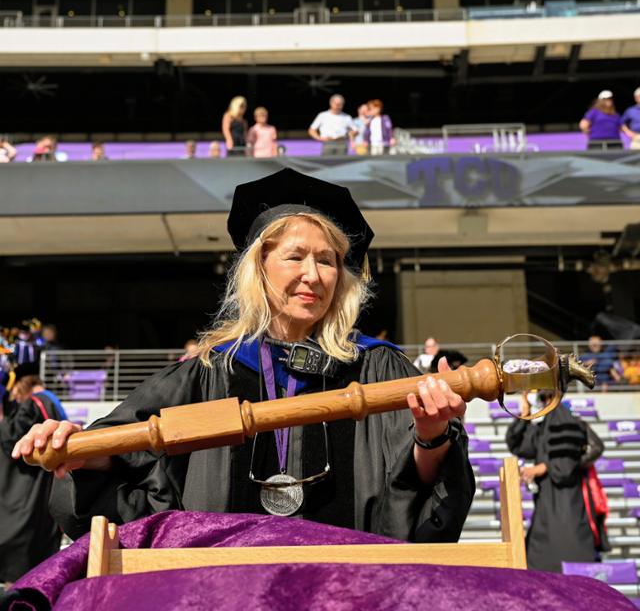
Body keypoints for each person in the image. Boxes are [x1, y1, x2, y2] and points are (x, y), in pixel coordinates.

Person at [14, 168, 474, 544]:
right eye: (295, 257)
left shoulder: (377, 370)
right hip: (225, 587)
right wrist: (76, 449)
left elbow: (417, 501)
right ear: (260, 266)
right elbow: (131, 467)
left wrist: (431, 436)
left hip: (344, 586)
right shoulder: (208, 375)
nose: (313, 275)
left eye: (328, 260)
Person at [506, 391, 609, 572]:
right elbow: (519, 446)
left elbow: (564, 468)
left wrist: (539, 468)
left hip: (567, 505)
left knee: (566, 561)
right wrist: (524, 414)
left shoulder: (565, 423)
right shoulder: (544, 426)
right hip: (547, 505)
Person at [0, 364, 67, 585]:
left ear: (20, 385)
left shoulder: (36, 402)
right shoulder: (51, 402)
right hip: (46, 488)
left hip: (29, 493)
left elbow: (15, 442)